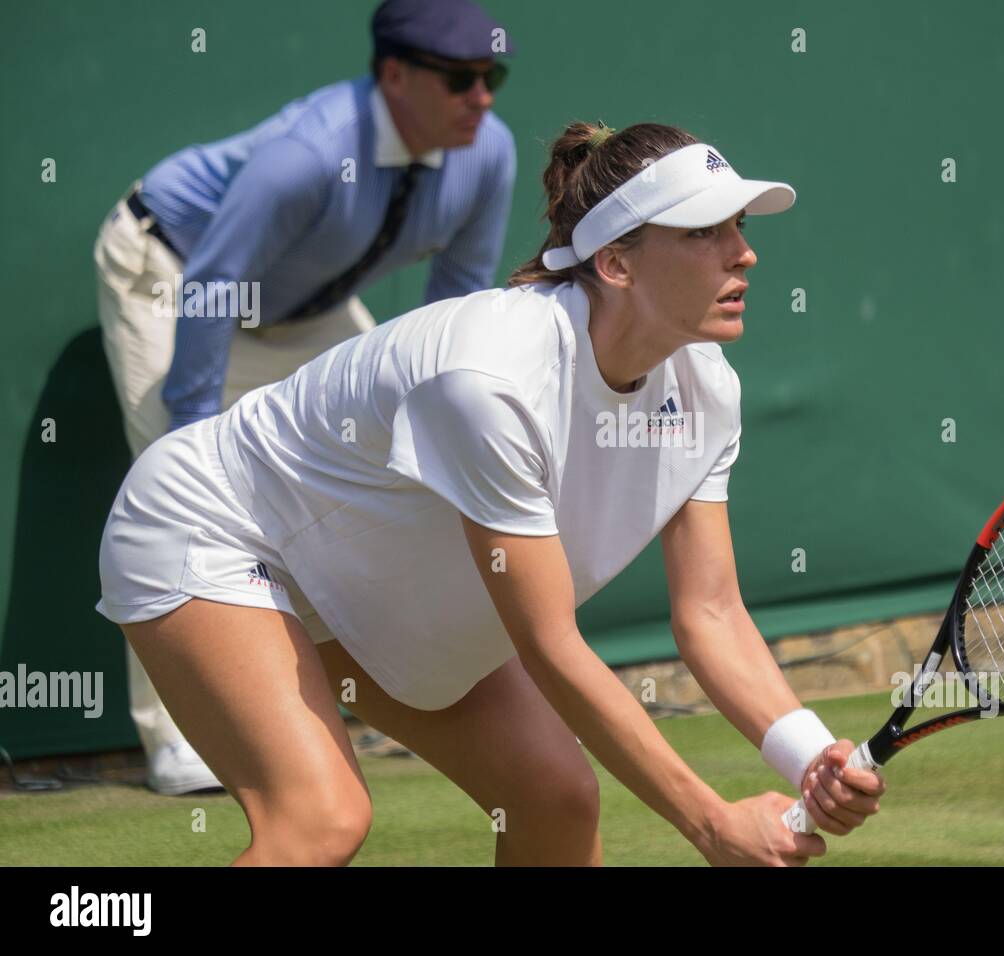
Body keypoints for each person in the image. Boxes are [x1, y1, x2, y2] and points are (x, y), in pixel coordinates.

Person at [95, 120, 886, 865]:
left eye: (742, 228)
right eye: (705, 233)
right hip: (214, 525)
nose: (742, 255)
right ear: (616, 263)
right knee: (319, 818)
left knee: (554, 798)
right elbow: (549, 645)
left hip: (359, 578)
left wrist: (810, 754)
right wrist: (710, 822)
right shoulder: (491, 380)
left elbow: (711, 614)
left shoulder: (706, 390)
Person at [91, 0, 516, 794]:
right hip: (176, 275)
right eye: (460, 79)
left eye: (492, 77)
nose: (482, 98)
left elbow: (451, 306)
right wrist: (193, 436)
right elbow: (216, 281)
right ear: (394, 74)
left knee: (391, 466)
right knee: (176, 498)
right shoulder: (309, 155)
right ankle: (180, 741)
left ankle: (372, 693)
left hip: (306, 312)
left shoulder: (487, 154)